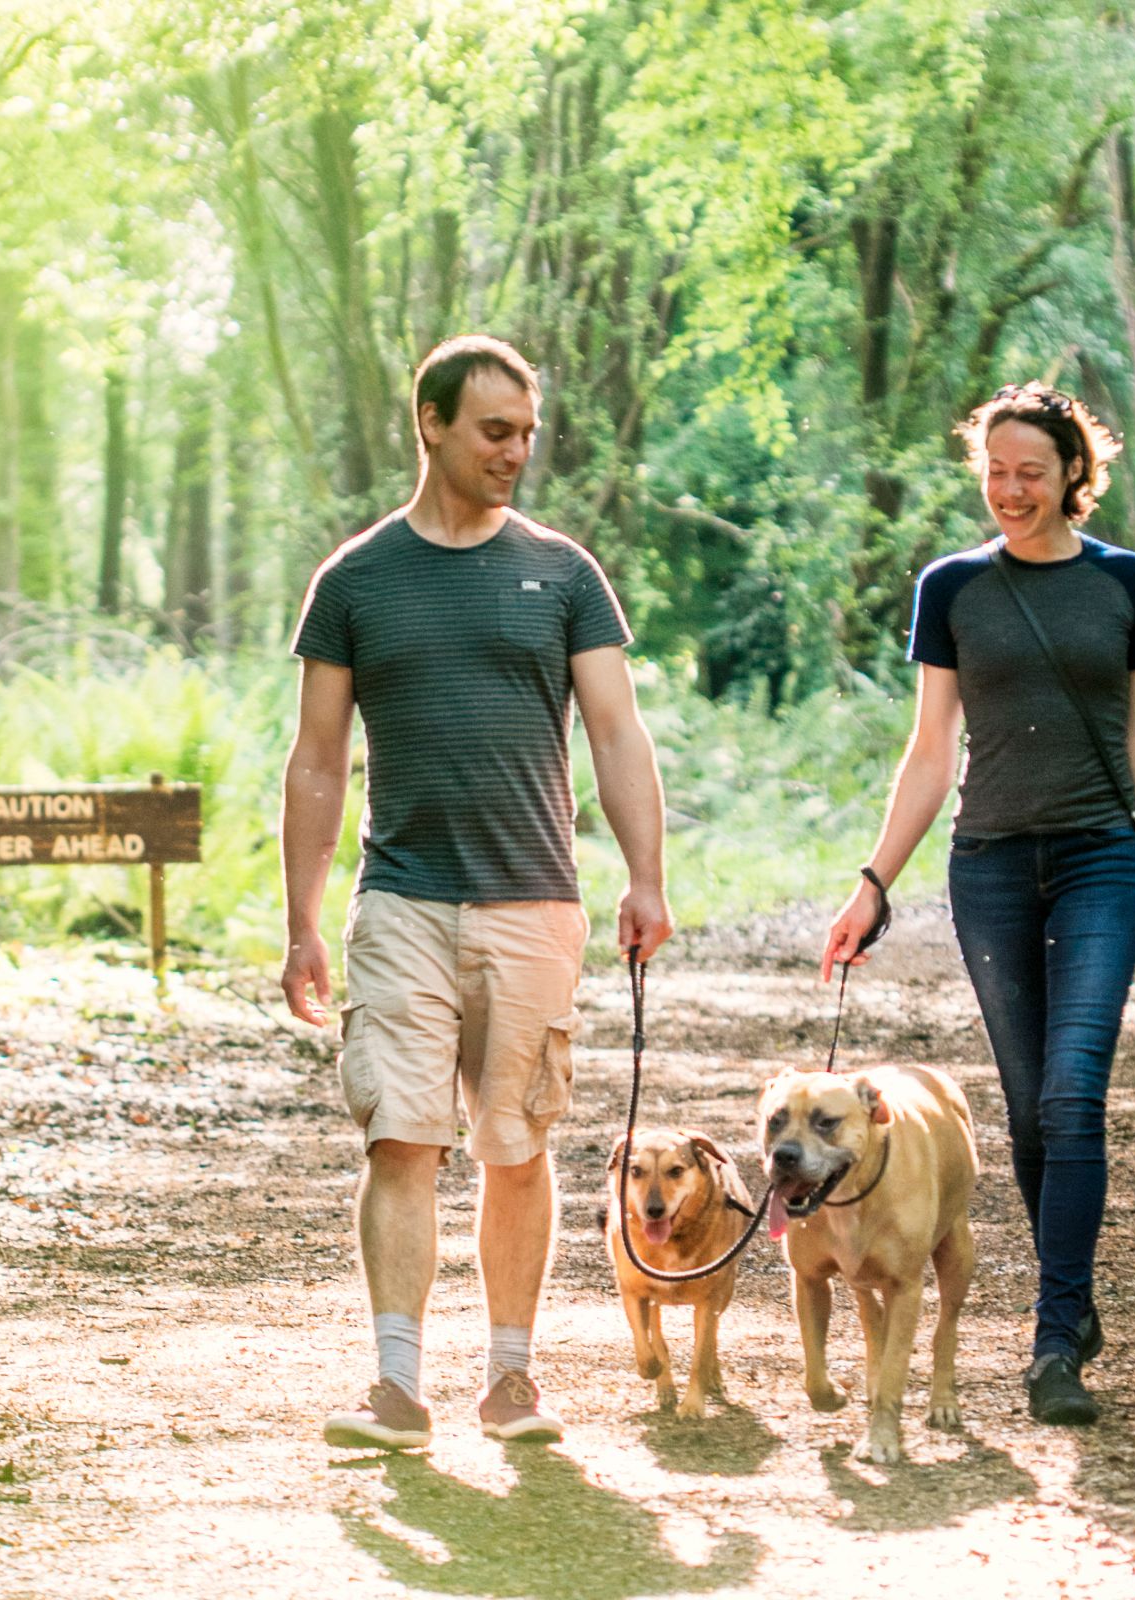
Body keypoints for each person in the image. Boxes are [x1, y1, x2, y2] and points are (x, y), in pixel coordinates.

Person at [281, 334, 674, 1450]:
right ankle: (396, 1384)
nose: (517, 452)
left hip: (533, 899)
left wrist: (646, 876)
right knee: (399, 1139)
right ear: (434, 423)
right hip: (401, 896)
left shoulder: (562, 572)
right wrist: (301, 921)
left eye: (527, 433)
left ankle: (511, 1375)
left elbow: (616, 730)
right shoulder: (356, 579)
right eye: (495, 431)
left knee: (516, 1141)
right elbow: (315, 760)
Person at [820, 382, 1135, 1427]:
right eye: (995, 470)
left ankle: (1053, 1336)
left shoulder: (1129, 583)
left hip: (1101, 864)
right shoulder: (953, 587)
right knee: (1035, 1102)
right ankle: (1072, 1310)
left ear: (1076, 474)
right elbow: (931, 749)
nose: (1010, 489)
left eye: (1032, 470)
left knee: (1073, 1093)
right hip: (988, 866)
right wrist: (873, 883)